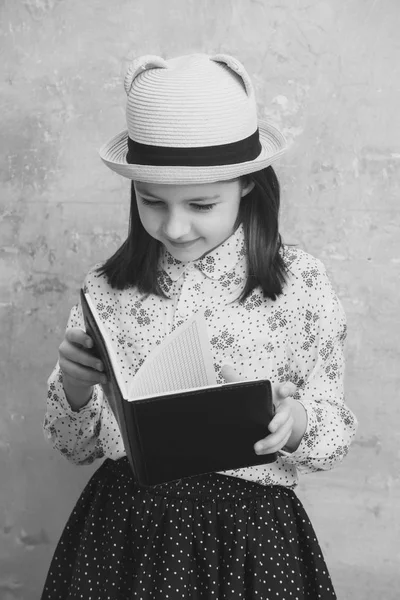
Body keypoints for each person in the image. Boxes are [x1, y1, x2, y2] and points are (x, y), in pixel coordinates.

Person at [41, 53, 357, 599]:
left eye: (202, 203)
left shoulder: (299, 284)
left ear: (248, 185)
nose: (176, 226)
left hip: (250, 540)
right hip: (124, 534)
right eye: (152, 201)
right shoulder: (108, 289)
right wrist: (72, 387)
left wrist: (295, 420)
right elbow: (75, 448)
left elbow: (335, 434)